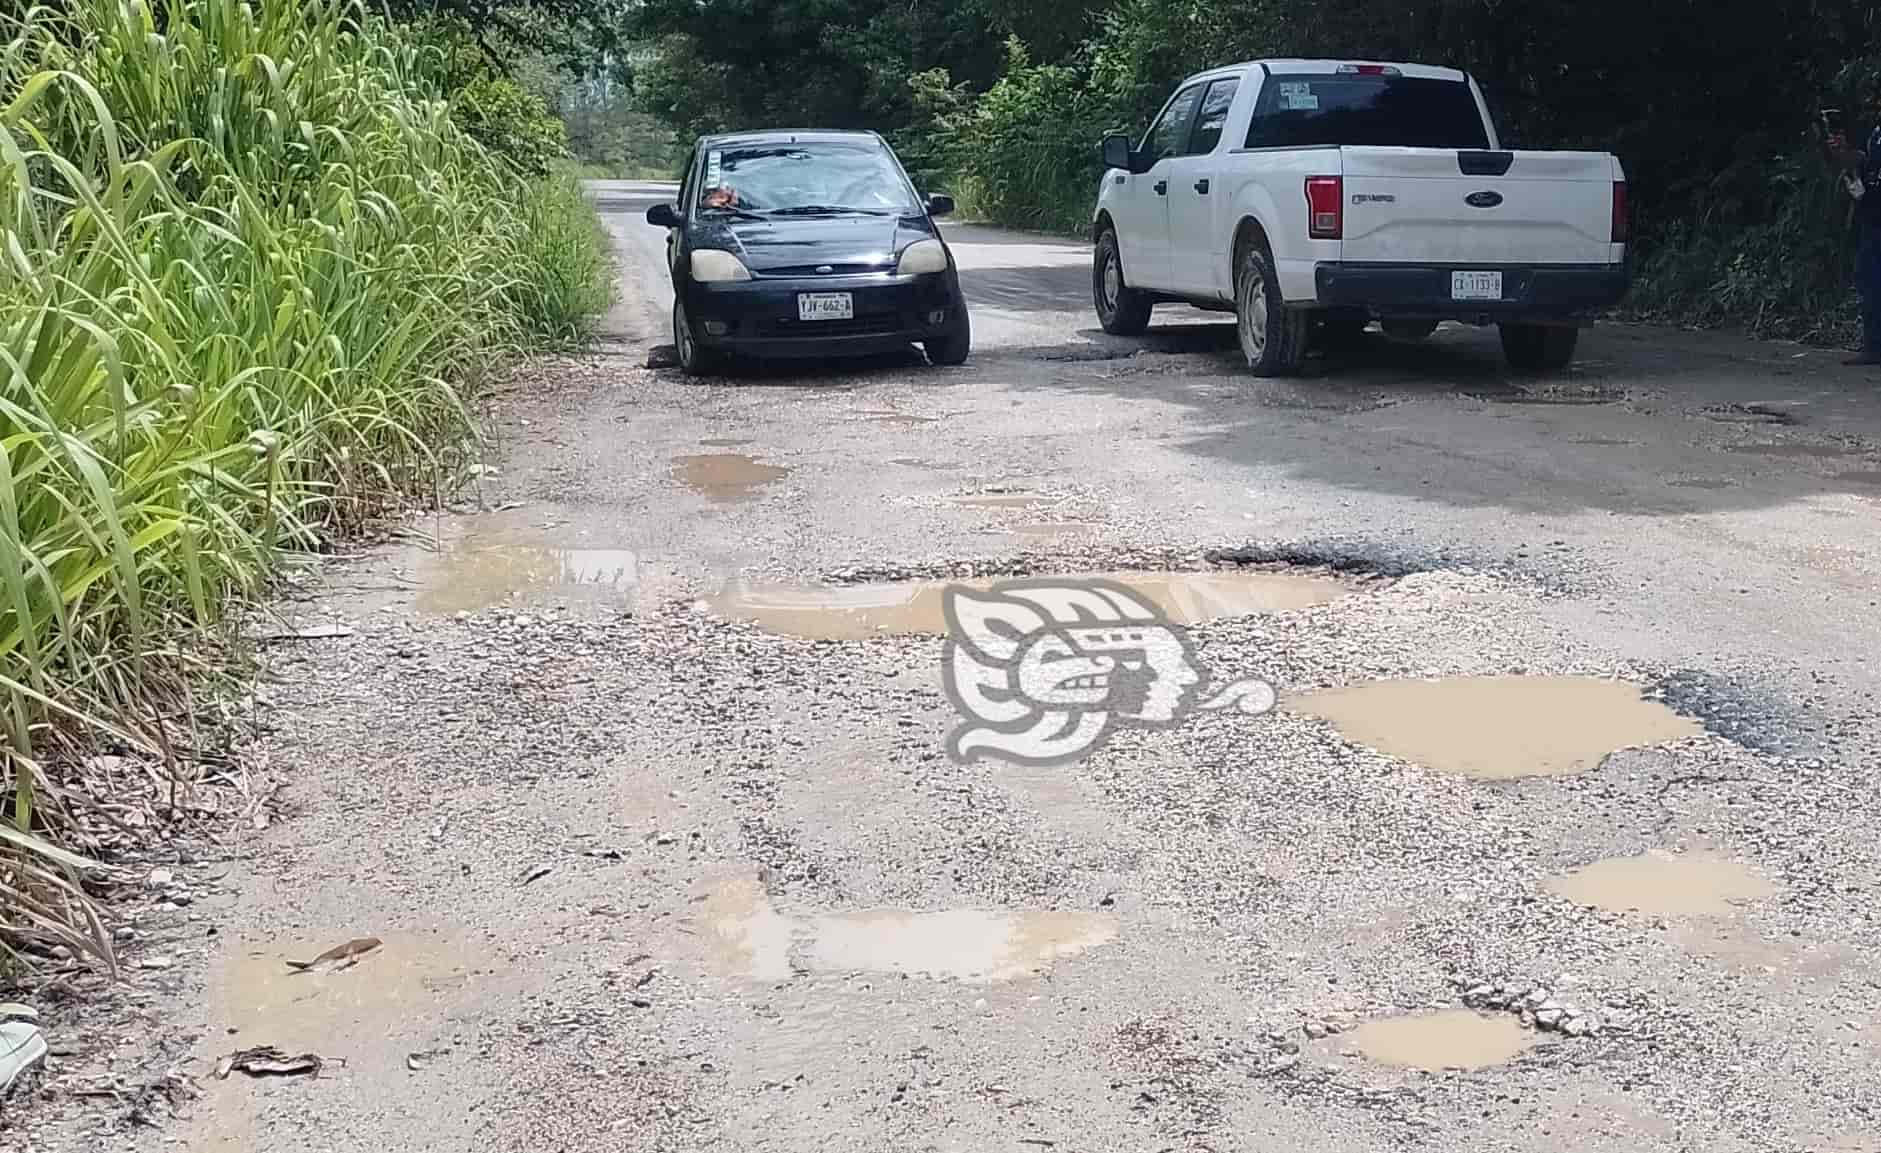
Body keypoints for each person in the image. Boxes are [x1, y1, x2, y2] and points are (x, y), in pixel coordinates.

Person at [1828, 83, 1881, 366]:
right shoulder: (1876, 134)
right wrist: (1844, 152)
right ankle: (1874, 346)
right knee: (1868, 280)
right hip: (1873, 215)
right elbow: (1865, 164)